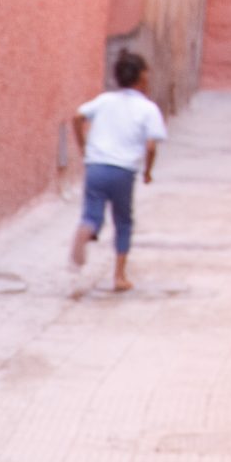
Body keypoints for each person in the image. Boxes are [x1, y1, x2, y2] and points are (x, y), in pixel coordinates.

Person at [70, 51, 166, 291]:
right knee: (123, 221)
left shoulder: (105, 100)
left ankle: (88, 228)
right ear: (142, 77)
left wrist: (83, 146)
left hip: (96, 166)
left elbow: (78, 116)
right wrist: (147, 171)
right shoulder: (147, 108)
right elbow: (151, 146)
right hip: (123, 171)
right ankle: (119, 276)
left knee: (92, 213)